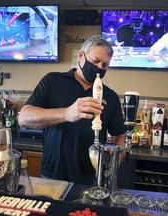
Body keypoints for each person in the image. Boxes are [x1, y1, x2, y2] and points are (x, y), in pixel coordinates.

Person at [18, 35, 126, 185]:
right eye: (95, 61)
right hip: (52, 177)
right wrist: (67, 113)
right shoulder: (53, 81)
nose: (99, 68)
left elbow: (120, 137)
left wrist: (111, 167)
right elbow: (23, 118)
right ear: (81, 55)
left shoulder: (111, 97)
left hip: (90, 180)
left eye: (105, 65)